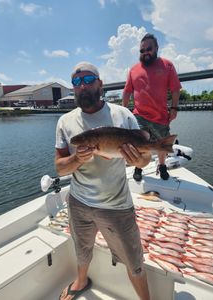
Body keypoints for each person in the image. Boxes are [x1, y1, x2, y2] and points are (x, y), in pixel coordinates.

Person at [55, 61, 151, 300]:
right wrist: (77, 159)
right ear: (73, 88)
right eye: (77, 82)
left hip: (116, 205)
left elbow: (145, 159)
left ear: (100, 84)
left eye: (88, 80)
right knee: (82, 247)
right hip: (79, 202)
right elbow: (59, 168)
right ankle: (81, 280)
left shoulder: (122, 114)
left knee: (133, 258)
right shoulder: (65, 122)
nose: (83, 86)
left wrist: (137, 160)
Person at [122, 33, 181, 181]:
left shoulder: (167, 65)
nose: (145, 52)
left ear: (156, 48)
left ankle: (162, 165)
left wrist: (174, 108)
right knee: (138, 144)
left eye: (148, 49)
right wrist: (124, 111)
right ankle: (138, 167)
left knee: (162, 143)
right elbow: (127, 91)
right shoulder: (133, 69)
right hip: (139, 115)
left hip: (160, 116)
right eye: (142, 50)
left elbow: (175, 89)